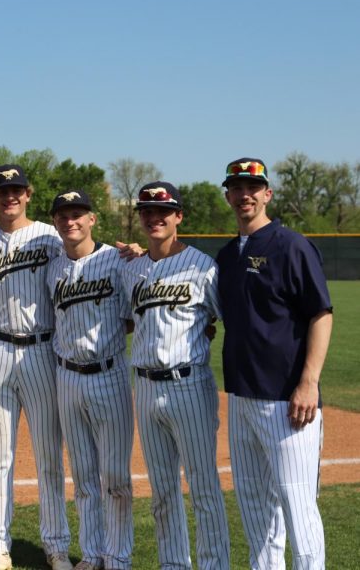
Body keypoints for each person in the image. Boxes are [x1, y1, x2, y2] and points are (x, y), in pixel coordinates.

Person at [216, 158, 331, 569]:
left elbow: (321, 314)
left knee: (298, 507)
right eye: (236, 186)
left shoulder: (291, 244)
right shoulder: (228, 255)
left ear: (267, 193)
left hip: (288, 401)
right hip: (242, 397)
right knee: (255, 512)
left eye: (253, 186)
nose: (244, 194)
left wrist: (309, 383)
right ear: (227, 194)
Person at [119, 181, 230, 570]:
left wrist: (208, 329)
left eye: (163, 211)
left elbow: (224, 319)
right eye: (147, 211)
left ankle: (214, 565)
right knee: (163, 491)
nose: (154, 217)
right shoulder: (131, 270)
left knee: (203, 487)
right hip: (146, 387)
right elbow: (128, 322)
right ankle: (173, 565)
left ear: (179, 216)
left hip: (188, 385)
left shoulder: (203, 267)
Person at [0, 165, 71, 570]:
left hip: (41, 350)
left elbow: (83, 259)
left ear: (28, 194)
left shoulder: (50, 236)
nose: (9, 197)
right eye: (1, 191)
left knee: (48, 453)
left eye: (16, 190)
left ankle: (56, 544)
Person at [45, 191, 133, 570]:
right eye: (64, 216)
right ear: (55, 223)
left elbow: (134, 315)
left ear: (93, 219)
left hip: (108, 375)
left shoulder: (117, 261)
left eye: (78, 214)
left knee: (115, 477)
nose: (71, 221)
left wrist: (141, 251)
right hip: (67, 377)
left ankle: (118, 556)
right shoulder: (53, 267)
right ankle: (93, 552)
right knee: (83, 477)